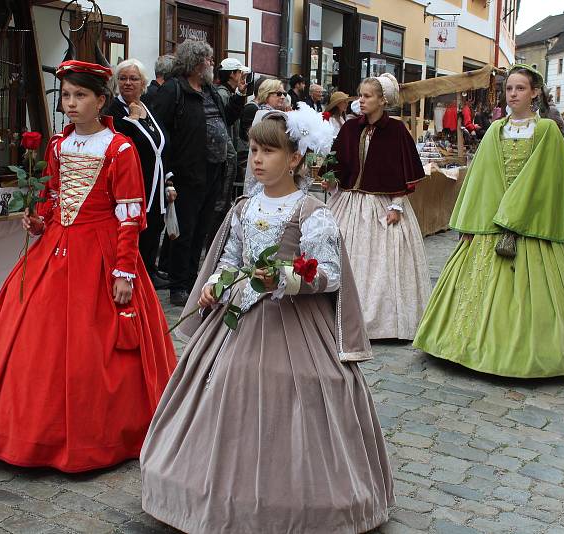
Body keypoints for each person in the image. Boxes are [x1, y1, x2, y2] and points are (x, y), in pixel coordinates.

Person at [140, 109, 393, 533]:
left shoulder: (312, 212)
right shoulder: (243, 207)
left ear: (294, 159)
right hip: (240, 318)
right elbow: (229, 258)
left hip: (294, 323)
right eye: (254, 150)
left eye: (269, 151)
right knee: (224, 383)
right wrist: (216, 284)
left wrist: (291, 279)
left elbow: (331, 272)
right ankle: (213, 488)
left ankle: (296, 497)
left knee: (303, 391)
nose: (256, 159)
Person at [0, 60, 177, 472]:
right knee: (35, 336)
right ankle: (29, 429)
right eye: (66, 95)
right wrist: (39, 218)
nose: (72, 103)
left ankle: (101, 433)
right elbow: (54, 196)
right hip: (58, 249)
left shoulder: (120, 150)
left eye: (81, 95)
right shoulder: (58, 146)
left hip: (100, 252)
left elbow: (130, 215)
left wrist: (123, 272)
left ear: (102, 101)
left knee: (92, 342)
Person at [412, 64, 564, 378]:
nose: (513, 94)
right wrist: (473, 223)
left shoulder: (546, 131)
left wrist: (516, 212)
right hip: (491, 223)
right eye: (510, 88)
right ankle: (464, 346)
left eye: (520, 88)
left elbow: (550, 181)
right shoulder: (496, 130)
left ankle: (529, 352)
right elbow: (480, 180)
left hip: (529, 223)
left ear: (535, 93)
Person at [321, 73, 431, 340]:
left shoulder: (396, 131)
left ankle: (383, 323)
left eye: (367, 96)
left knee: (382, 265)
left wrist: (397, 206)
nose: (362, 100)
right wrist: (331, 180)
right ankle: (335, 318)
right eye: (361, 95)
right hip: (349, 203)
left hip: (382, 204)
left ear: (383, 100)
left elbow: (401, 172)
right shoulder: (350, 128)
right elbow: (339, 163)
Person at [150, 40, 246, 306]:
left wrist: (238, 96)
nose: (211, 64)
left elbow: (225, 119)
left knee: (202, 229)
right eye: (208, 59)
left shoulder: (208, 90)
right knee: (185, 231)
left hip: (214, 170)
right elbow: (161, 131)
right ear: (195, 62)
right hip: (187, 171)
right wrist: (168, 173)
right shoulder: (174, 90)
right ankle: (179, 285)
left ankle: (193, 279)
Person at [109, 58, 176, 290]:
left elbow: (162, 142)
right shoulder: (114, 110)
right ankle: (135, 270)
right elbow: (119, 139)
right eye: (123, 78)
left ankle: (150, 269)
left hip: (156, 182)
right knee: (136, 227)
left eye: (133, 78)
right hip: (133, 182)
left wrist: (168, 180)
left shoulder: (147, 106)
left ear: (143, 83)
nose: (128, 83)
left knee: (155, 226)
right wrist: (133, 119)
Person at [216, 57, 251, 228]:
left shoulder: (228, 93)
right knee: (221, 201)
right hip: (225, 150)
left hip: (229, 148)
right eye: (239, 73)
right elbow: (227, 121)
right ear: (231, 74)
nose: (241, 76)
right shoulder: (223, 94)